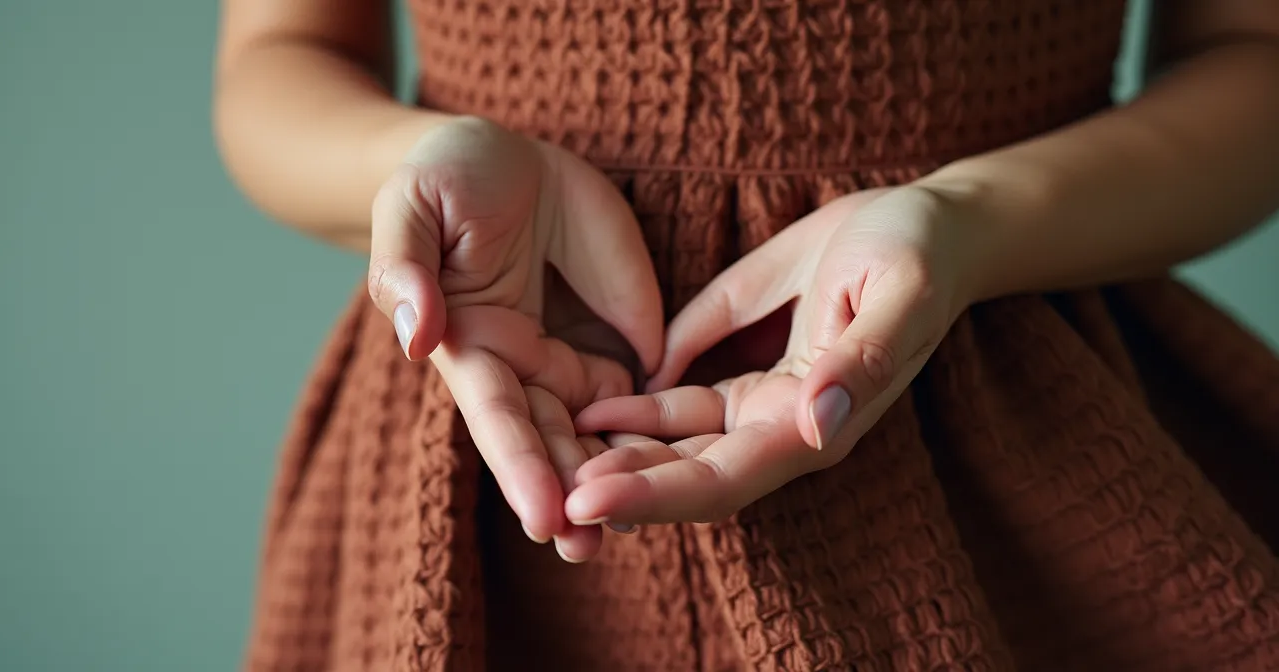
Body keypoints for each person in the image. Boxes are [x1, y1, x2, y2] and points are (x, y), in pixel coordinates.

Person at [214, 0, 1279, 668]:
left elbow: (1250, 54)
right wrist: (417, 167)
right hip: (488, 425)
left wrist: (968, 221)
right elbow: (281, 52)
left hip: (1018, 431)